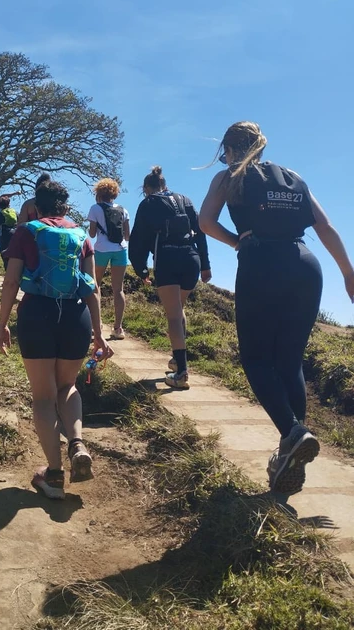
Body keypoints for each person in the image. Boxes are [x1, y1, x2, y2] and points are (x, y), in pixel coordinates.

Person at [199, 121, 354, 495]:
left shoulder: (227, 177)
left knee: (255, 360)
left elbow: (205, 222)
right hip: (306, 265)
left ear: (230, 149)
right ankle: (291, 449)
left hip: (261, 263)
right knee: (289, 362)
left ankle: (293, 432)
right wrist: (349, 274)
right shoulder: (293, 177)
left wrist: (238, 242)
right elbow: (326, 227)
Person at [0, 180, 114, 500]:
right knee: (68, 387)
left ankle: (55, 475)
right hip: (76, 318)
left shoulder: (26, 231)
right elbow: (93, 287)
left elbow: (10, 283)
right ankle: (76, 444)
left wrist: (3, 324)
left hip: (38, 316)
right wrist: (100, 334)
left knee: (43, 397)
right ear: (65, 207)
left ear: (37, 206)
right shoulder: (80, 236)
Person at [129, 166, 211, 390]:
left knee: (173, 315)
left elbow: (138, 238)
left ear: (147, 188)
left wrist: (141, 269)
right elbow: (200, 231)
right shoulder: (185, 199)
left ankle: (182, 372)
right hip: (191, 258)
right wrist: (205, 265)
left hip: (167, 258)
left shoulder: (148, 203)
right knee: (179, 308)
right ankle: (176, 360)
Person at [87, 178, 130, 340]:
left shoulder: (95, 209)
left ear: (98, 193)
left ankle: (95, 325)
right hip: (120, 250)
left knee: (95, 286)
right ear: (115, 193)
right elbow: (127, 235)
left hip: (101, 250)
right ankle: (118, 328)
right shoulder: (123, 209)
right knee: (118, 289)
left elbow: (91, 234)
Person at [0, 196, 17, 270]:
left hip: (4, 238)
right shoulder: (15, 213)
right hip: (16, 236)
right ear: (8, 204)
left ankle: (7, 276)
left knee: (6, 258)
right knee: (16, 257)